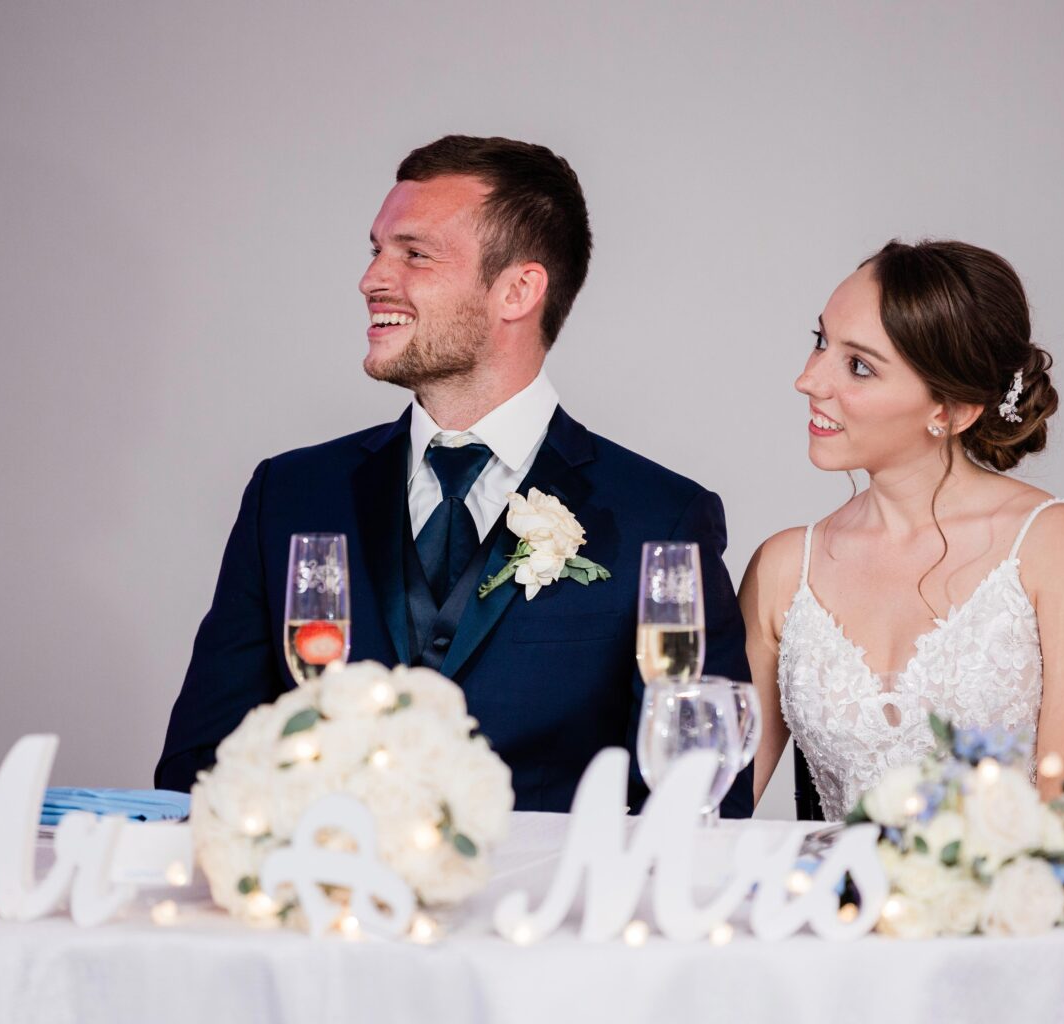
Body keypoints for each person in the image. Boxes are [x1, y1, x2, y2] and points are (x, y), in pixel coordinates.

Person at [156, 135, 753, 816]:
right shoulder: (289, 496)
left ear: (518, 290)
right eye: (376, 249)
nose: (373, 278)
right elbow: (200, 769)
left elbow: (698, 802)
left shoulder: (659, 518)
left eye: (414, 254)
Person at [740, 239, 1064, 817]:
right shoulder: (782, 567)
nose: (809, 380)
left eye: (859, 366)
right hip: (832, 903)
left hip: (1009, 903)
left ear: (949, 410)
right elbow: (713, 804)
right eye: (821, 341)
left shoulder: (1061, 547)